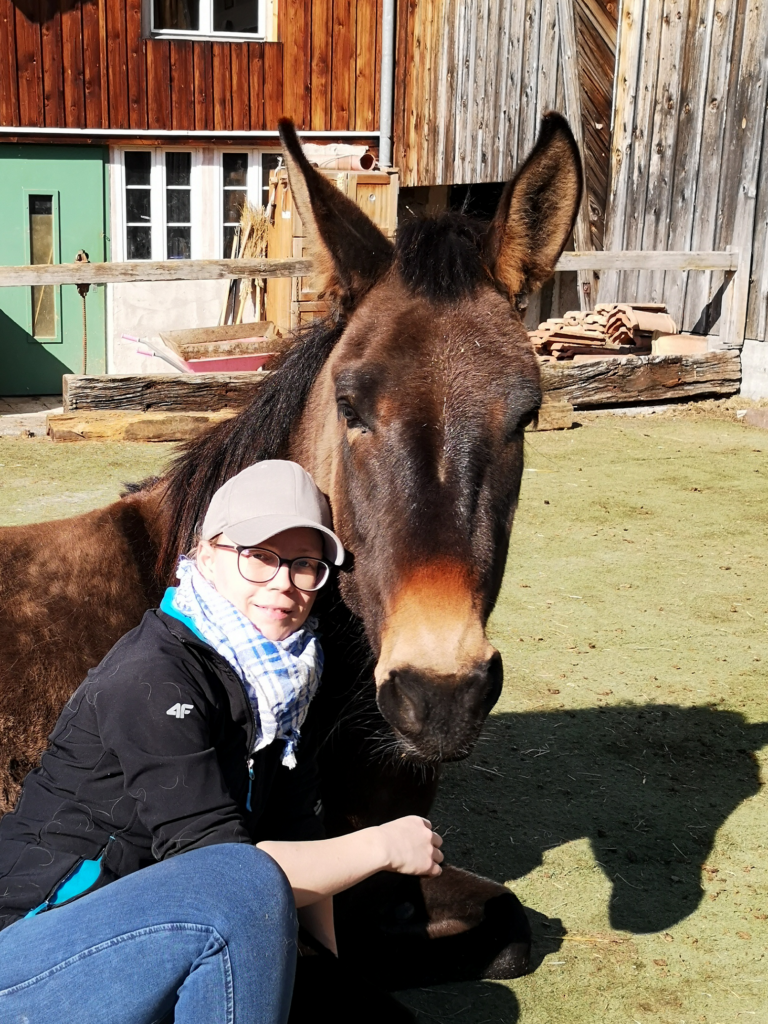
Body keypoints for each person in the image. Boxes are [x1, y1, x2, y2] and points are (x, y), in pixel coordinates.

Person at [0, 460, 443, 1024]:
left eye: (305, 565)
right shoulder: (155, 676)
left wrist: (333, 976)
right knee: (238, 879)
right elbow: (222, 875)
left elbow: (297, 832)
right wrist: (380, 847)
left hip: (155, 939)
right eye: (259, 556)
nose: (284, 583)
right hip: (33, 948)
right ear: (206, 554)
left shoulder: (283, 683)